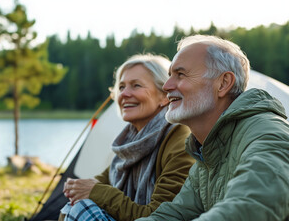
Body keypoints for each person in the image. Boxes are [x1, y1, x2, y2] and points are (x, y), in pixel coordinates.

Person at [136, 35, 289, 221]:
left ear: (223, 83)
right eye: (170, 76)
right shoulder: (206, 155)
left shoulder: (266, 133)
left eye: (181, 74)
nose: (167, 86)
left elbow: (251, 206)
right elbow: (174, 214)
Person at [59, 54, 195, 221]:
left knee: (83, 209)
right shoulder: (130, 142)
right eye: (121, 87)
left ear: (164, 96)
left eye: (136, 85)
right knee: (75, 206)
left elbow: (159, 216)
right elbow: (100, 183)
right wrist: (77, 190)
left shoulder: (180, 138)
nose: (125, 94)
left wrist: (95, 192)